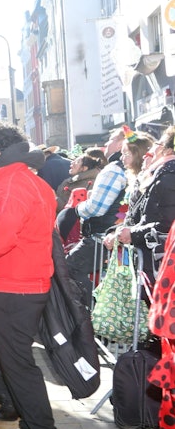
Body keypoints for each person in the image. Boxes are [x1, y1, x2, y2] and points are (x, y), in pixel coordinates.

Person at [0, 122, 69, 429]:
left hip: (12, 286)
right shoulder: (29, 180)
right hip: (22, 285)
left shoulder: (10, 183)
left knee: (20, 369)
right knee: (17, 364)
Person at [104, 126, 175, 285]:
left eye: (160, 144)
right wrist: (117, 231)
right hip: (151, 257)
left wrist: (132, 233)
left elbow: (166, 224)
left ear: (167, 150)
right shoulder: (158, 176)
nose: (155, 149)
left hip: (158, 260)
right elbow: (136, 215)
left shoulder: (166, 176)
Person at [64, 127, 128, 302]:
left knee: (69, 268)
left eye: (111, 139)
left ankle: (91, 313)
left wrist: (78, 209)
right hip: (114, 233)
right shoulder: (120, 169)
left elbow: (96, 208)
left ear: (122, 144)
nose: (106, 143)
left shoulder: (113, 170)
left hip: (103, 235)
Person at [55, 147, 105, 215]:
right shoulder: (74, 180)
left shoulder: (88, 184)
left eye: (76, 162)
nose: (72, 163)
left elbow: (72, 209)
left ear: (84, 168)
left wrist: (54, 197)